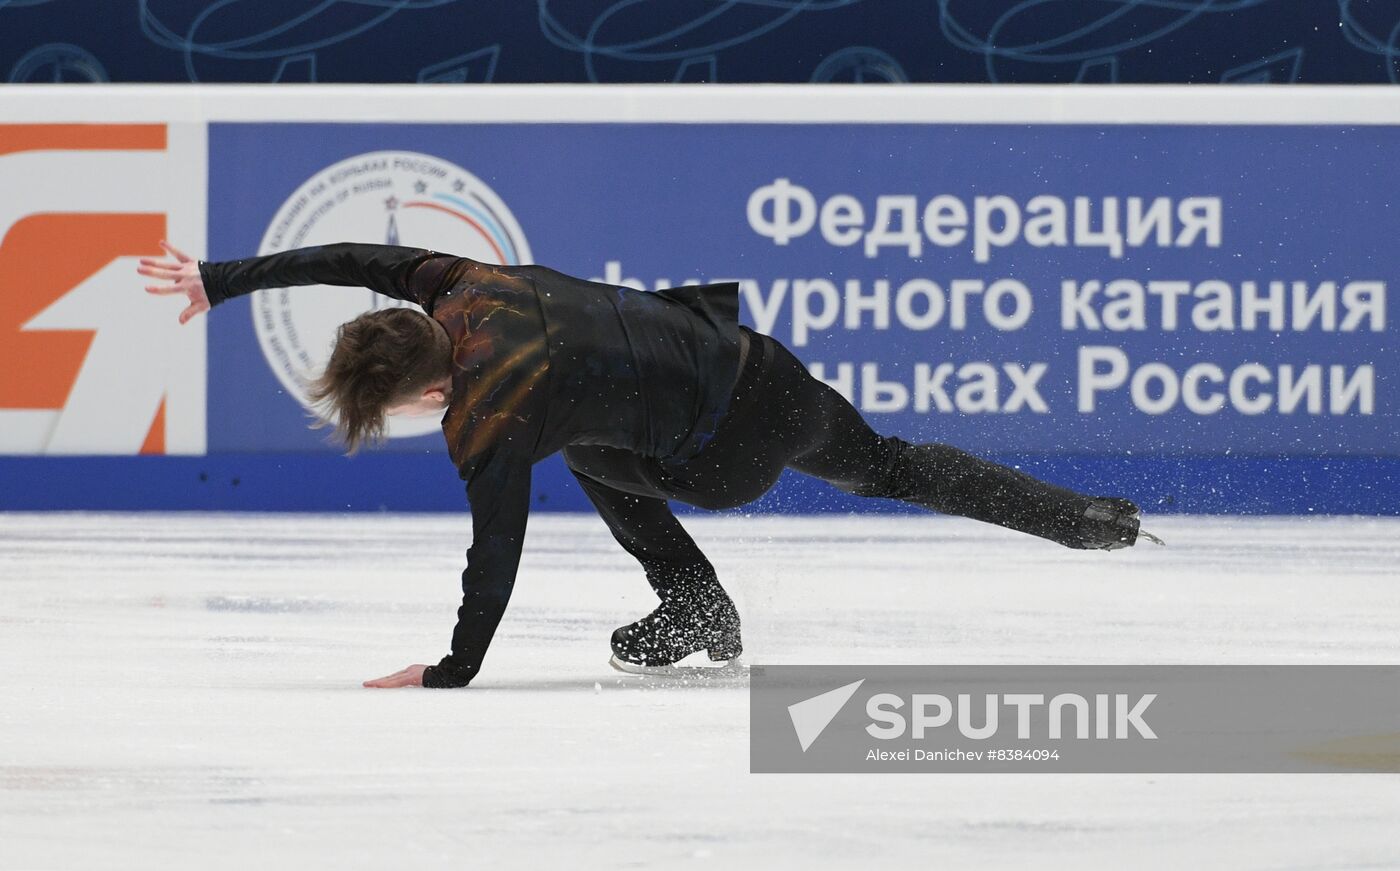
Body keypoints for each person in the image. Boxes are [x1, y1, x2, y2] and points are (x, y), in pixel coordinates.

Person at [138, 241, 1148, 690]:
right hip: (765, 370)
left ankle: (695, 603)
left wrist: (451, 671)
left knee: (576, 441)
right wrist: (222, 280)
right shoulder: (457, 280)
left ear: (416, 392)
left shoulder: (493, 411)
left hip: (726, 455)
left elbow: (495, 552)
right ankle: (1089, 518)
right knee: (886, 463)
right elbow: (354, 254)